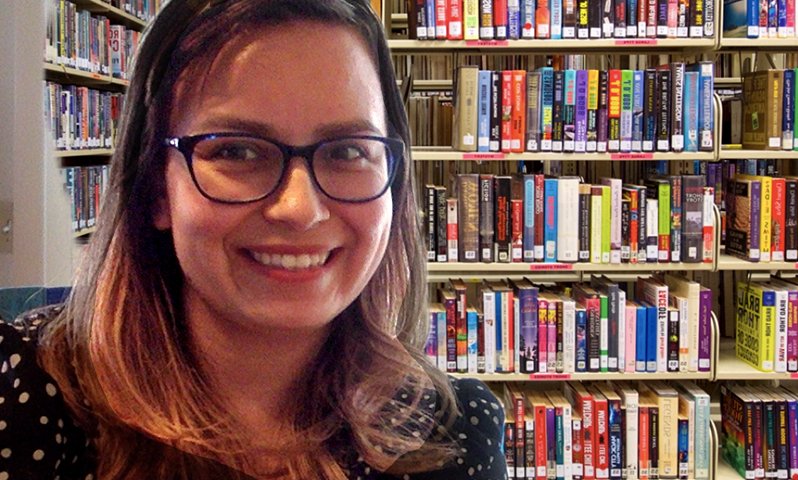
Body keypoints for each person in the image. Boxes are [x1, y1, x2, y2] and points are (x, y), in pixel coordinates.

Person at [0, 0, 507, 478]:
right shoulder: (21, 394)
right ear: (156, 188)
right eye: (238, 152)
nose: (300, 210)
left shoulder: (453, 430)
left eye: (349, 151)